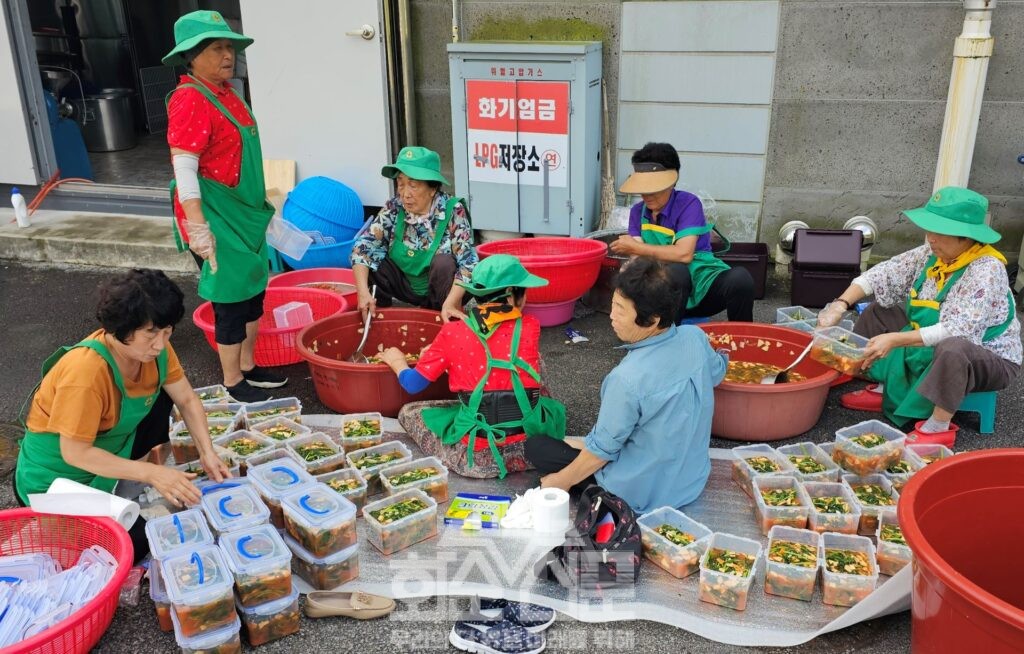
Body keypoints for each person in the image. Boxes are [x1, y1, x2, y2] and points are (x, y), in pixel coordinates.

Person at [14, 269, 231, 562]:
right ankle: (65, 523)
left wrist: (208, 452)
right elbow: (75, 454)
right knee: (139, 543)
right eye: (151, 334)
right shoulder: (86, 373)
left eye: (167, 332)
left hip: (108, 449)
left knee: (163, 395)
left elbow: (188, 399)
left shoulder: (157, 352)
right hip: (58, 480)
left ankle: (123, 482)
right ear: (121, 328)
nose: (160, 344)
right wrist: (154, 473)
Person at [818, 186, 1021, 447]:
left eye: (940, 232)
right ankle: (886, 387)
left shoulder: (987, 269)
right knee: (879, 311)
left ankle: (938, 426)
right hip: (930, 341)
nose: (931, 238)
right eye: (929, 230)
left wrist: (894, 339)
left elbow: (957, 329)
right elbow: (882, 274)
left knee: (955, 349)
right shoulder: (931, 254)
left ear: (967, 237)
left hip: (985, 356)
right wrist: (840, 304)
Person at [525, 257, 727, 513]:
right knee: (592, 440)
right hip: (691, 481)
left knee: (537, 447)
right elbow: (719, 371)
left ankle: (593, 488)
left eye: (620, 309)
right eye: (613, 305)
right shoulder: (696, 337)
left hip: (639, 494)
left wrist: (559, 482)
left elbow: (602, 451)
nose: (611, 317)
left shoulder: (627, 378)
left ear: (652, 320)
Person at [165, 10, 286, 403]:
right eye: (216, 48)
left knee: (253, 293)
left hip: (244, 213)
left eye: (229, 47)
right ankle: (233, 381)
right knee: (231, 300)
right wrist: (198, 226)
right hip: (215, 216)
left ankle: (249, 367)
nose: (227, 55)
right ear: (191, 55)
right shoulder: (189, 98)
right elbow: (184, 166)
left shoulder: (227, 93)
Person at [382, 254, 566, 479]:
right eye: (524, 291)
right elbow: (499, 348)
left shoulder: (453, 333)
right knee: (534, 362)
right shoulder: (530, 326)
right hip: (531, 449)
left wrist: (397, 361)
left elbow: (412, 384)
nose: (526, 297)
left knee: (409, 412)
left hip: (475, 460)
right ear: (511, 296)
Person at [611, 142, 754, 323]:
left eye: (653, 188)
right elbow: (639, 260)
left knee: (741, 279)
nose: (646, 195)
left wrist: (636, 248)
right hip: (662, 296)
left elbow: (684, 254)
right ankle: (667, 339)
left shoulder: (688, 204)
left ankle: (744, 341)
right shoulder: (637, 212)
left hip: (702, 286)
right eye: (643, 188)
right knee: (675, 272)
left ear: (672, 182)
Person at [351, 146, 479, 323]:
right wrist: (362, 292)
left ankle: (444, 317)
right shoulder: (395, 207)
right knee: (371, 259)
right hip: (406, 285)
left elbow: (468, 263)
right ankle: (378, 317)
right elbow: (363, 246)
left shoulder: (453, 210)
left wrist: (450, 303)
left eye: (413, 185)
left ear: (432, 188)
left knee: (445, 263)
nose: (405, 194)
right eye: (401, 184)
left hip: (443, 291)